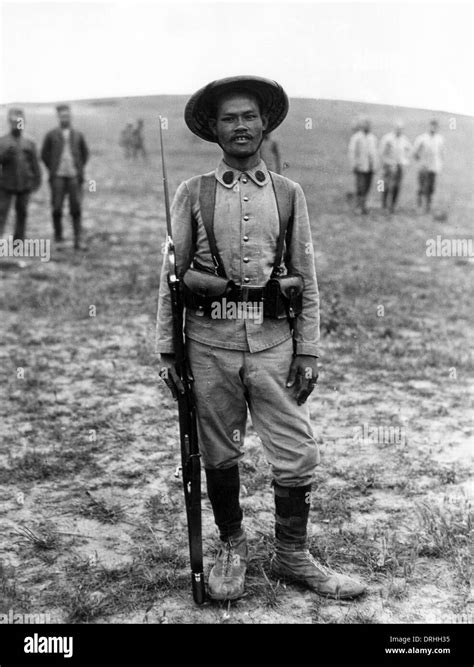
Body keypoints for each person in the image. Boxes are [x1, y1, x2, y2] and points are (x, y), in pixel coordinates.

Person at [156, 75, 366, 602]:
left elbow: (307, 276)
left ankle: (293, 555)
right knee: (219, 452)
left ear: (265, 123)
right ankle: (232, 547)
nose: (241, 126)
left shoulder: (290, 194)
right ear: (214, 129)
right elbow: (172, 277)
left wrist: (309, 350)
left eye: (250, 116)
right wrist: (167, 351)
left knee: (298, 453)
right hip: (209, 347)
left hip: (275, 347)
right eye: (230, 118)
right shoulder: (192, 193)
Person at [41, 104, 89, 250]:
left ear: (70, 116)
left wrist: (78, 168)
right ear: (58, 117)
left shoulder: (78, 135)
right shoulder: (51, 135)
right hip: (58, 177)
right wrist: (53, 168)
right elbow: (44, 155)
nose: (65, 118)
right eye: (62, 116)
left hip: (74, 177)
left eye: (67, 116)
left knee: (76, 208)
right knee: (56, 207)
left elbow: (84, 154)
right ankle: (58, 237)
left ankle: (77, 239)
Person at [0, 108, 42, 241]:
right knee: (1, 212)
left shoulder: (30, 142)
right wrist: (6, 154)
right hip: (5, 184)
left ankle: (18, 241)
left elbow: (35, 164)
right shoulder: (2, 141)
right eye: (13, 122)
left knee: (22, 213)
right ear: (9, 122)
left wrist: (37, 181)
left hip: (24, 183)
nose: (16, 125)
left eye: (19, 122)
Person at [379, 121, 412, 213]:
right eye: (397, 128)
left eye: (401, 129)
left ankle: (392, 206)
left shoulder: (404, 139)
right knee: (384, 185)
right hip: (388, 165)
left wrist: (404, 161)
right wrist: (388, 163)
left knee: (396, 186)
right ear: (394, 128)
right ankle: (384, 204)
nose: (399, 130)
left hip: (399, 166)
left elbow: (409, 150)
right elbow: (382, 153)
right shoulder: (387, 138)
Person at [413, 119, 444, 213]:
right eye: (432, 126)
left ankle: (427, 207)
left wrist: (439, 165)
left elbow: (441, 153)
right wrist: (420, 161)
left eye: (435, 126)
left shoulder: (440, 139)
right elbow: (415, 152)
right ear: (429, 126)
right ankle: (419, 206)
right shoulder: (422, 138)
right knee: (421, 187)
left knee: (431, 188)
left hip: (433, 168)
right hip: (423, 167)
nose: (433, 128)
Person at [348, 116, 378, 214]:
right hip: (360, 167)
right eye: (365, 124)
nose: (367, 126)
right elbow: (352, 152)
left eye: (368, 124)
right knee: (360, 187)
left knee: (367, 187)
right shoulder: (356, 137)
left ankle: (364, 206)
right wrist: (354, 165)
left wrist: (375, 165)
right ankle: (358, 207)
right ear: (362, 125)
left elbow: (374, 153)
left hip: (370, 167)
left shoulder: (372, 138)